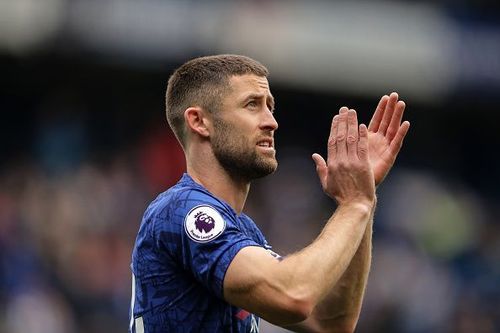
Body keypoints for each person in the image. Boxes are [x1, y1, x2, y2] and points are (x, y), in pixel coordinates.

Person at [129, 54, 410, 333]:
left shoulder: (245, 231)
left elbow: (331, 323)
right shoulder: (182, 209)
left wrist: (364, 197)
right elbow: (294, 295)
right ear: (200, 121)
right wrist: (353, 205)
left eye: (270, 107)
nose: (271, 122)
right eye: (252, 105)